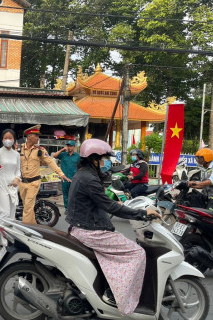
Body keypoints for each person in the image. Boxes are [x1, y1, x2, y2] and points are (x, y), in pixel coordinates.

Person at [66, 139, 160, 315]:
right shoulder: (89, 179)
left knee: (122, 243)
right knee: (137, 252)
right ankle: (112, 294)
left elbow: (110, 180)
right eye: (103, 159)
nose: (105, 162)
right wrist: (141, 214)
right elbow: (110, 206)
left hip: (86, 225)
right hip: (89, 230)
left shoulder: (85, 174)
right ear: (94, 159)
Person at [19, 125, 70, 224]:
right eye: (36, 135)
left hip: (34, 182)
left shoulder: (40, 150)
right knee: (27, 207)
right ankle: (33, 226)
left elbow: (50, 162)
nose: (38, 138)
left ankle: (25, 229)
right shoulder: (20, 148)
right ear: (29, 136)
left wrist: (60, 173)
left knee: (28, 207)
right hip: (22, 182)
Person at [0, 129, 21, 246]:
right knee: (4, 212)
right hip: (1, 183)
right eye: (5, 138)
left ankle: (5, 238)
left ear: (14, 140)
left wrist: (18, 178)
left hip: (13, 186)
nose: (8, 140)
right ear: (2, 140)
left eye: (10, 138)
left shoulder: (16, 154)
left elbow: (18, 169)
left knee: (11, 213)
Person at [53, 140, 80, 212]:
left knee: (75, 194)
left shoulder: (78, 156)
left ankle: (74, 208)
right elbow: (54, 156)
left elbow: (81, 166)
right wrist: (62, 149)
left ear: (74, 147)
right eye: (68, 146)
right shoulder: (63, 155)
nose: (69, 147)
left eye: (71, 146)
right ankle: (67, 209)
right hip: (64, 178)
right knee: (65, 194)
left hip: (74, 178)